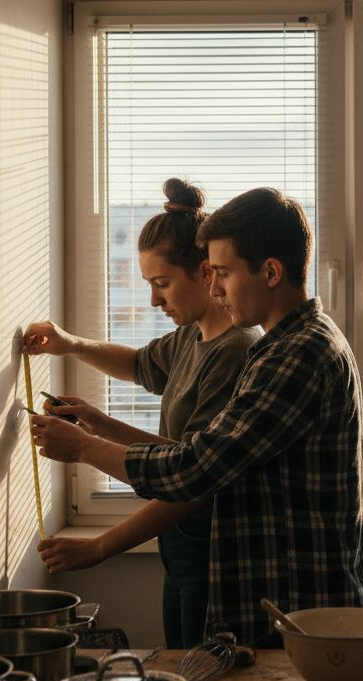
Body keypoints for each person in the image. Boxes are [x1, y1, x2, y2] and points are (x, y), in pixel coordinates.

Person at [30, 187, 363, 648]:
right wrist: (95, 422)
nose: (214, 288)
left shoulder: (297, 355)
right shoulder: (283, 346)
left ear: (270, 272)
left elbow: (197, 468)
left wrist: (85, 447)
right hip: (281, 600)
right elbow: (206, 456)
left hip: (297, 607)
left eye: (224, 273)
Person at [25, 178, 260, 650]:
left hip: (211, 552)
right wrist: (71, 349)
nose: (155, 301)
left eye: (162, 284)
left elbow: (194, 475)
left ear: (204, 272)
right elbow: (138, 365)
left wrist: (99, 544)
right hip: (178, 543)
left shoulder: (235, 351)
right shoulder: (192, 338)